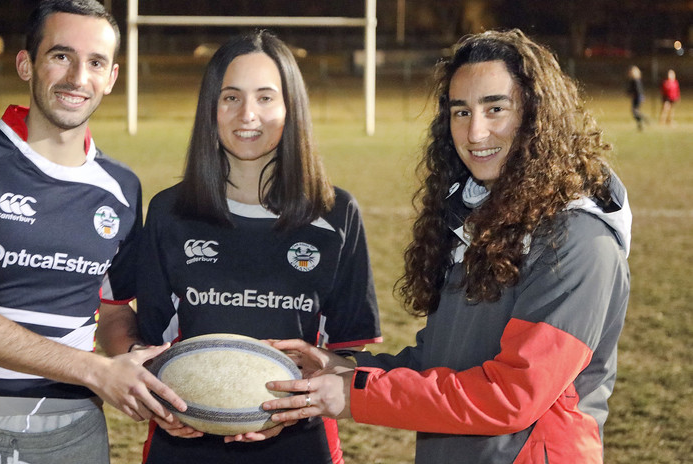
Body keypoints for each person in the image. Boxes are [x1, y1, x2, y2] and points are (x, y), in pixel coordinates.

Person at [264, 29, 631, 464]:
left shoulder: (578, 241)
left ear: (537, 115)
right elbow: (445, 364)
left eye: (496, 108)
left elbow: (511, 396)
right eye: (461, 112)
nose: (475, 132)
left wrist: (354, 395)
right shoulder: (481, 221)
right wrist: (347, 369)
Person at [0, 0, 186, 464]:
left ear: (111, 78)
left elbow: (112, 313)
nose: (77, 77)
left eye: (95, 62)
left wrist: (144, 369)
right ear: (27, 65)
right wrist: (94, 370)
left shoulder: (122, 187)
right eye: (61, 56)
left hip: (74, 434)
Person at [132, 30, 382, 464]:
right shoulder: (170, 212)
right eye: (230, 97)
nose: (248, 114)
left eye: (266, 98)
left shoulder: (335, 212)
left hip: (301, 444)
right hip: (185, 443)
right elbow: (149, 346)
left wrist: (310, 388)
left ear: (291, 108)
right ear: (211, 108)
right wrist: (160, 398)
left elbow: (350, 352)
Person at [627, 65, 646, 130]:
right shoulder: (634, 80)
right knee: (635, 111)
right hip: (637, 97)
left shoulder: (636, 80)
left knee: (635, 111)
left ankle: (644, 119)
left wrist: (632, 93)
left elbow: (638, 90)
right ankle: (640, 124)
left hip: (638, 98)